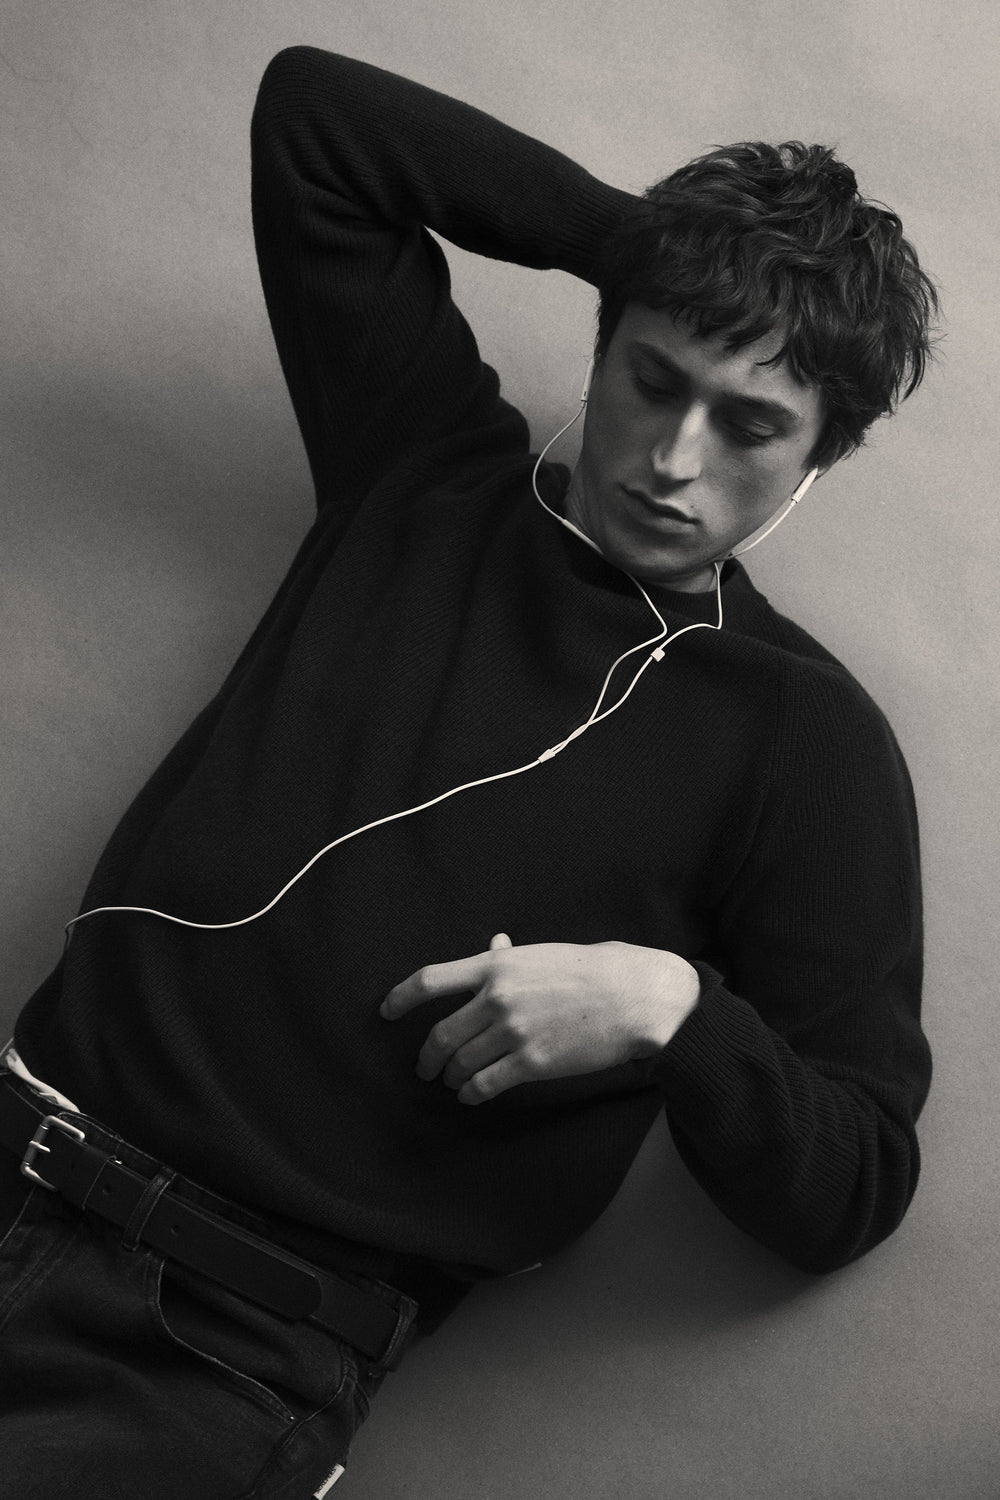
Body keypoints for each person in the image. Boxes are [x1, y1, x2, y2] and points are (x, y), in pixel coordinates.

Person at [0, 43, 936, 1498]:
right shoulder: (424, 469)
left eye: (751, 425)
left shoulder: (803, 739)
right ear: (604, 350)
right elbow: (316, 120)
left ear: (824, 453)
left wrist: (676, 1012)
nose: (672, 458)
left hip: (216, 1357)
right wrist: (668, 258)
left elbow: (854, 1180)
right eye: (653, 379)